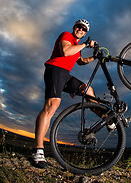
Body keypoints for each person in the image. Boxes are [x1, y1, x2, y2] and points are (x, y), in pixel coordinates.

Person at [31, 19, 97, 169]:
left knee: (88, 90)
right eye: (79, 27)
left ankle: (106, 118)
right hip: (55, 70)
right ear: (74, 27)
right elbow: (66, 51)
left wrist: (95, 56)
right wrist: (86, 44)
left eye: (84, 29)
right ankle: (38, 150)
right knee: (52, 105)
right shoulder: (66, 35)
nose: (81, 29)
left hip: (65, 74)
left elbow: (80, 61)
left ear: (86, 32)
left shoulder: (77, 46)